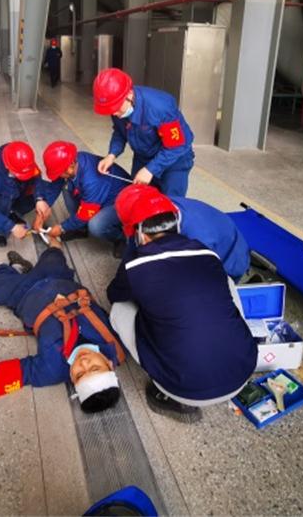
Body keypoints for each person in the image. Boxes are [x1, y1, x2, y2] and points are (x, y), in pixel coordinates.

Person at [106, 190, 258, 420]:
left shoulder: (135, 265)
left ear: (140, 235)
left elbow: (114, 294)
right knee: (225, 283)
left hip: (183, 389)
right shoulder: (207, 252)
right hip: (244, 369)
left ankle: (169, 398)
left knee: (119, 309)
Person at [0, 246, 124, 413]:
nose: (84, 363)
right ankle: (26, 270)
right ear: (109, 364)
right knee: (53, 252)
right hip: (59, 279)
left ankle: (14, 273)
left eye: (79, 375)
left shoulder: (51, 370)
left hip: (24, 295)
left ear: (72, 379)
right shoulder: (114, 342)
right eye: (95, 368)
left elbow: (7, 375)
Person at [92, 68, 195, 197]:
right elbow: (120, 131)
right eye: (110, 110)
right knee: (138, 198)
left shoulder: (160, 107)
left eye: (116, 108)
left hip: (174, 160)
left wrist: (150, 169)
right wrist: (111, 155)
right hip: (144, 155)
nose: (114, 114)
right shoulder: (117, 108)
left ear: (129, 95)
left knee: (171, 203)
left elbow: (176, 146)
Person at [115, 184, 251, 280]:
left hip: (229, 261)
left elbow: (193, 281)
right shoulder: (157, 206)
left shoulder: (198, 239)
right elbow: (133, 246)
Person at [40, 140, 131, 257]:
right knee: (66, 187)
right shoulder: (73, 159)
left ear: (70, 167)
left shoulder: (92, 181)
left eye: (59, 173)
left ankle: (120, 238)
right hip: (98, 195)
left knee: (96, 225)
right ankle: (81, 229)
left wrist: (61, 228)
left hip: (119, 201)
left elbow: (86, 214)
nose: (58, 176)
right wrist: (44, 206)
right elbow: (56, 184)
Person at [0, 141, 53, 246]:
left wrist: (40, 198)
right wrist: (11, 227)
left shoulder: (20, 155)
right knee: (5, 198)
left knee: (44, 191)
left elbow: (36, 176)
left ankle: (12, 213)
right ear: (8, 167)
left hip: (12, 185)